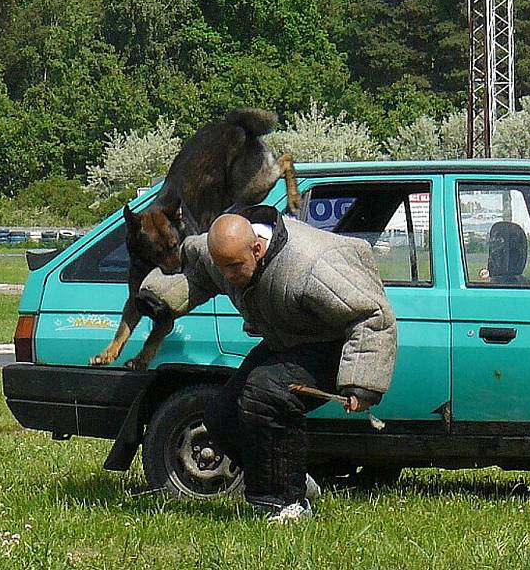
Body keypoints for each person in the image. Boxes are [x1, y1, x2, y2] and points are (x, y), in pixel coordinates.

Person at [135, 205, 397, 523]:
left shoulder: (312, 264)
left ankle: (287, 504)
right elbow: (200, 275)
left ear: (257, 248)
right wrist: (160, 298)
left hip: (333, 347)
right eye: (224, 269)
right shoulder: (219, 254)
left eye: (234, 267)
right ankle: (292, 481)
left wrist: (362, 380)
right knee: (221, 419)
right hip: (284, 341)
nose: (228, 277)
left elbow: (371, 314)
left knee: (266, 394)